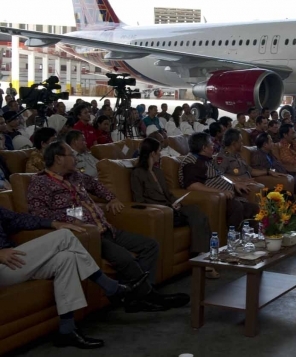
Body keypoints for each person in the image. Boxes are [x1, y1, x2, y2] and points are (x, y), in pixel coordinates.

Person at [27, 141, 188, 313]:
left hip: (106, 228)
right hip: (88, 235)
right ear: (58, 159)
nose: (75, 158)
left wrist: (112, 198)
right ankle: (150, 296)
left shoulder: (75, 176)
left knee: (150, 245)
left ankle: (136, 297)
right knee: (125, 258)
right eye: (71, 155)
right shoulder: (40, 183)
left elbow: (96, 185)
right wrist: (66, 220)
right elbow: (39, 215)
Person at [0, 213, 141, 349]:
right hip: (2, 268)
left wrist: (53, 223)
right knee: (64, 235)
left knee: (66, 258)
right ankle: (111, 287)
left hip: (13, 262)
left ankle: (66, 330)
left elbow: (18, 219)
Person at [131, 138, 215, 272]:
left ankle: (202, 256)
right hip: (160, 212)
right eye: (159, 151)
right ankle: (202, 258)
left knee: (197, 212)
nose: (161, 154)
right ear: (152, 153)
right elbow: (139, 200)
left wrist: (177, 202)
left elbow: (168, 193)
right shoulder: (137, 173)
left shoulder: (158, 172)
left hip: (171, 207)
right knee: (196, 214)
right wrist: (162, 207)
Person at [179, 132, 259, 230]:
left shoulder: (207, 159)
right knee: (237, 207)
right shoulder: (192, 162)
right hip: (216, 197)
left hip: (228, 195)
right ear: (204, 148)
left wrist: (234, 183)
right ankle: (234, 240)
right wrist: (221, 192)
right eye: (211, 145)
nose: (213, 146)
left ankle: (252, 240)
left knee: (253, 208)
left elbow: (219, 176)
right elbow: (192, 185)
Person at [252, 133, 296, 226]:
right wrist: (272, 172)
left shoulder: (270, 153)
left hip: (286, 176)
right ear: (264, 144)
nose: (273, 143)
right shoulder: (258, 155)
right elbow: (258, 170)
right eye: (271, 141)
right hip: (279, 180)